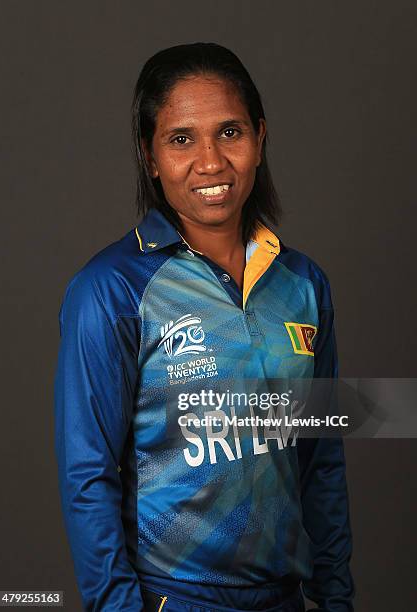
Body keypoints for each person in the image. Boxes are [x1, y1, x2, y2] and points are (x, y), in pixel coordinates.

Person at [54, 42, 355, 612]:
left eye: (230, 132)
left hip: (284, 598)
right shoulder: (111, 290)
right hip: (174, 598)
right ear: (150, 156)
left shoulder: (304, 284)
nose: (211, 162)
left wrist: (336, 598)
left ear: (260, 138)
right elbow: (88, 476)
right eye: (181, 139)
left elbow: (321, 461)